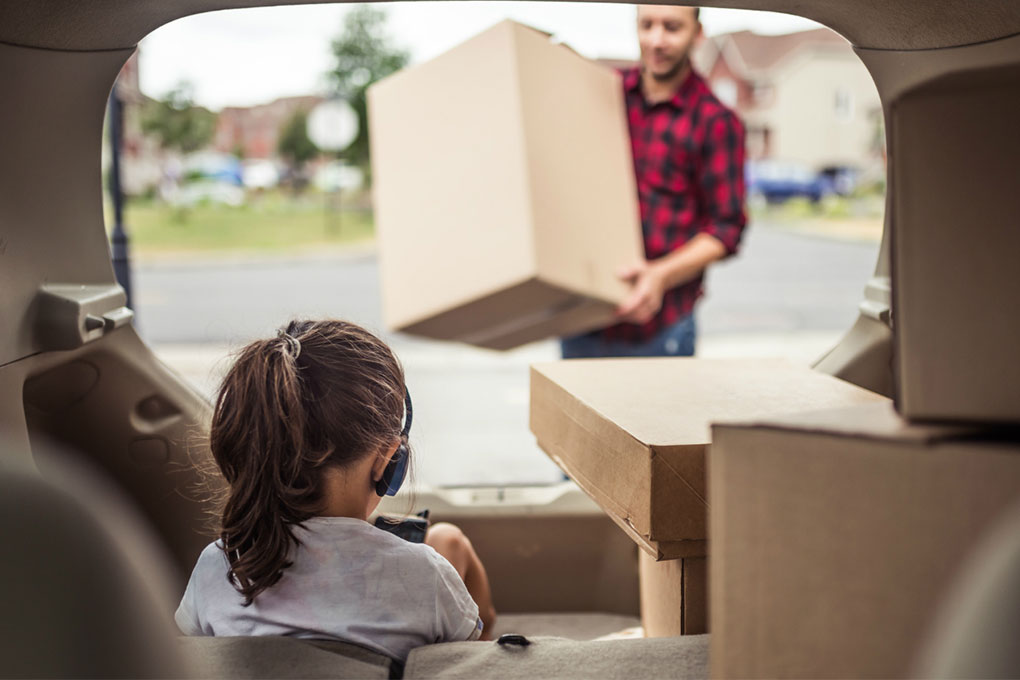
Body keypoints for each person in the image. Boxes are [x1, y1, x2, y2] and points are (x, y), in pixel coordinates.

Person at [175, 319, 496, 661]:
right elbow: (470, 663)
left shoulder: (219, 564)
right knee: (449, 542)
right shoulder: (426, 575)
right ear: (388, 460)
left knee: (446, 541)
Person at [561, 5, 747, 358]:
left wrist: (660, 274)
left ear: (698, 33)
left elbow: (727, 227)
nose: (656, 40)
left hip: (662, 330)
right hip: (582, 320)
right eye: (647, 25)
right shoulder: (605, 96)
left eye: (672, 27)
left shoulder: (716, 121)